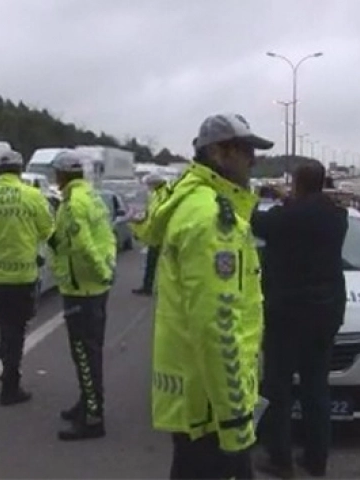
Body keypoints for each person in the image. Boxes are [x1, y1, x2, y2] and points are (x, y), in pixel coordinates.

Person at [141, 113, 273, 479]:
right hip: (212, 407)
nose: (253, 159)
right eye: (245, 149)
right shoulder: (212, 219)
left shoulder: (193, 203)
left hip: (197, 398)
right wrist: (235, 421)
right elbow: (218, 326)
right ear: (218, 153)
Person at [251, 159, 348, 479]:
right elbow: (309, 213)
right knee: (316, 389)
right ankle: (316, 460)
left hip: (287, 315)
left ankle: (281, 459)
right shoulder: (338, 217)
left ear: (297, 183)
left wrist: (278, 199)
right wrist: (291, 198)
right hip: (325, 313)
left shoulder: (285, 217)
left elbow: (257, 223)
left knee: (278, 389)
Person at [0, 150, 55, 406]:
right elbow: (49, 231)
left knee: (6, 326)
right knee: (16, 329)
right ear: (19, 170)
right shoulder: (32, 196)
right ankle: (10, 384)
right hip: (22, 275)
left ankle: (8, 371)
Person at [46, 150, 117, 441]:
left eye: (56, 173)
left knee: (85, 355)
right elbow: (106, 236)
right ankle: (86, 402)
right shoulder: (91, 197)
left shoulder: (74, 204)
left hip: (83, 289)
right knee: (89, 352)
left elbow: (84, 246)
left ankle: (93, 417)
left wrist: (101, 272)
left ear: (63, 175)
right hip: (93, 288)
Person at [131, 173, 169, 296]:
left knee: (166, 265)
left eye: (149, 184)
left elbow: (161, 215)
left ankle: (167, 289)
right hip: (155, 236)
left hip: (164, 236)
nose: (148, 187)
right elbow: (150, 214)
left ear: (156, 184)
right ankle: (147, 287)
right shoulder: (154, 195)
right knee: (151, 263)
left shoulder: (166, 194)